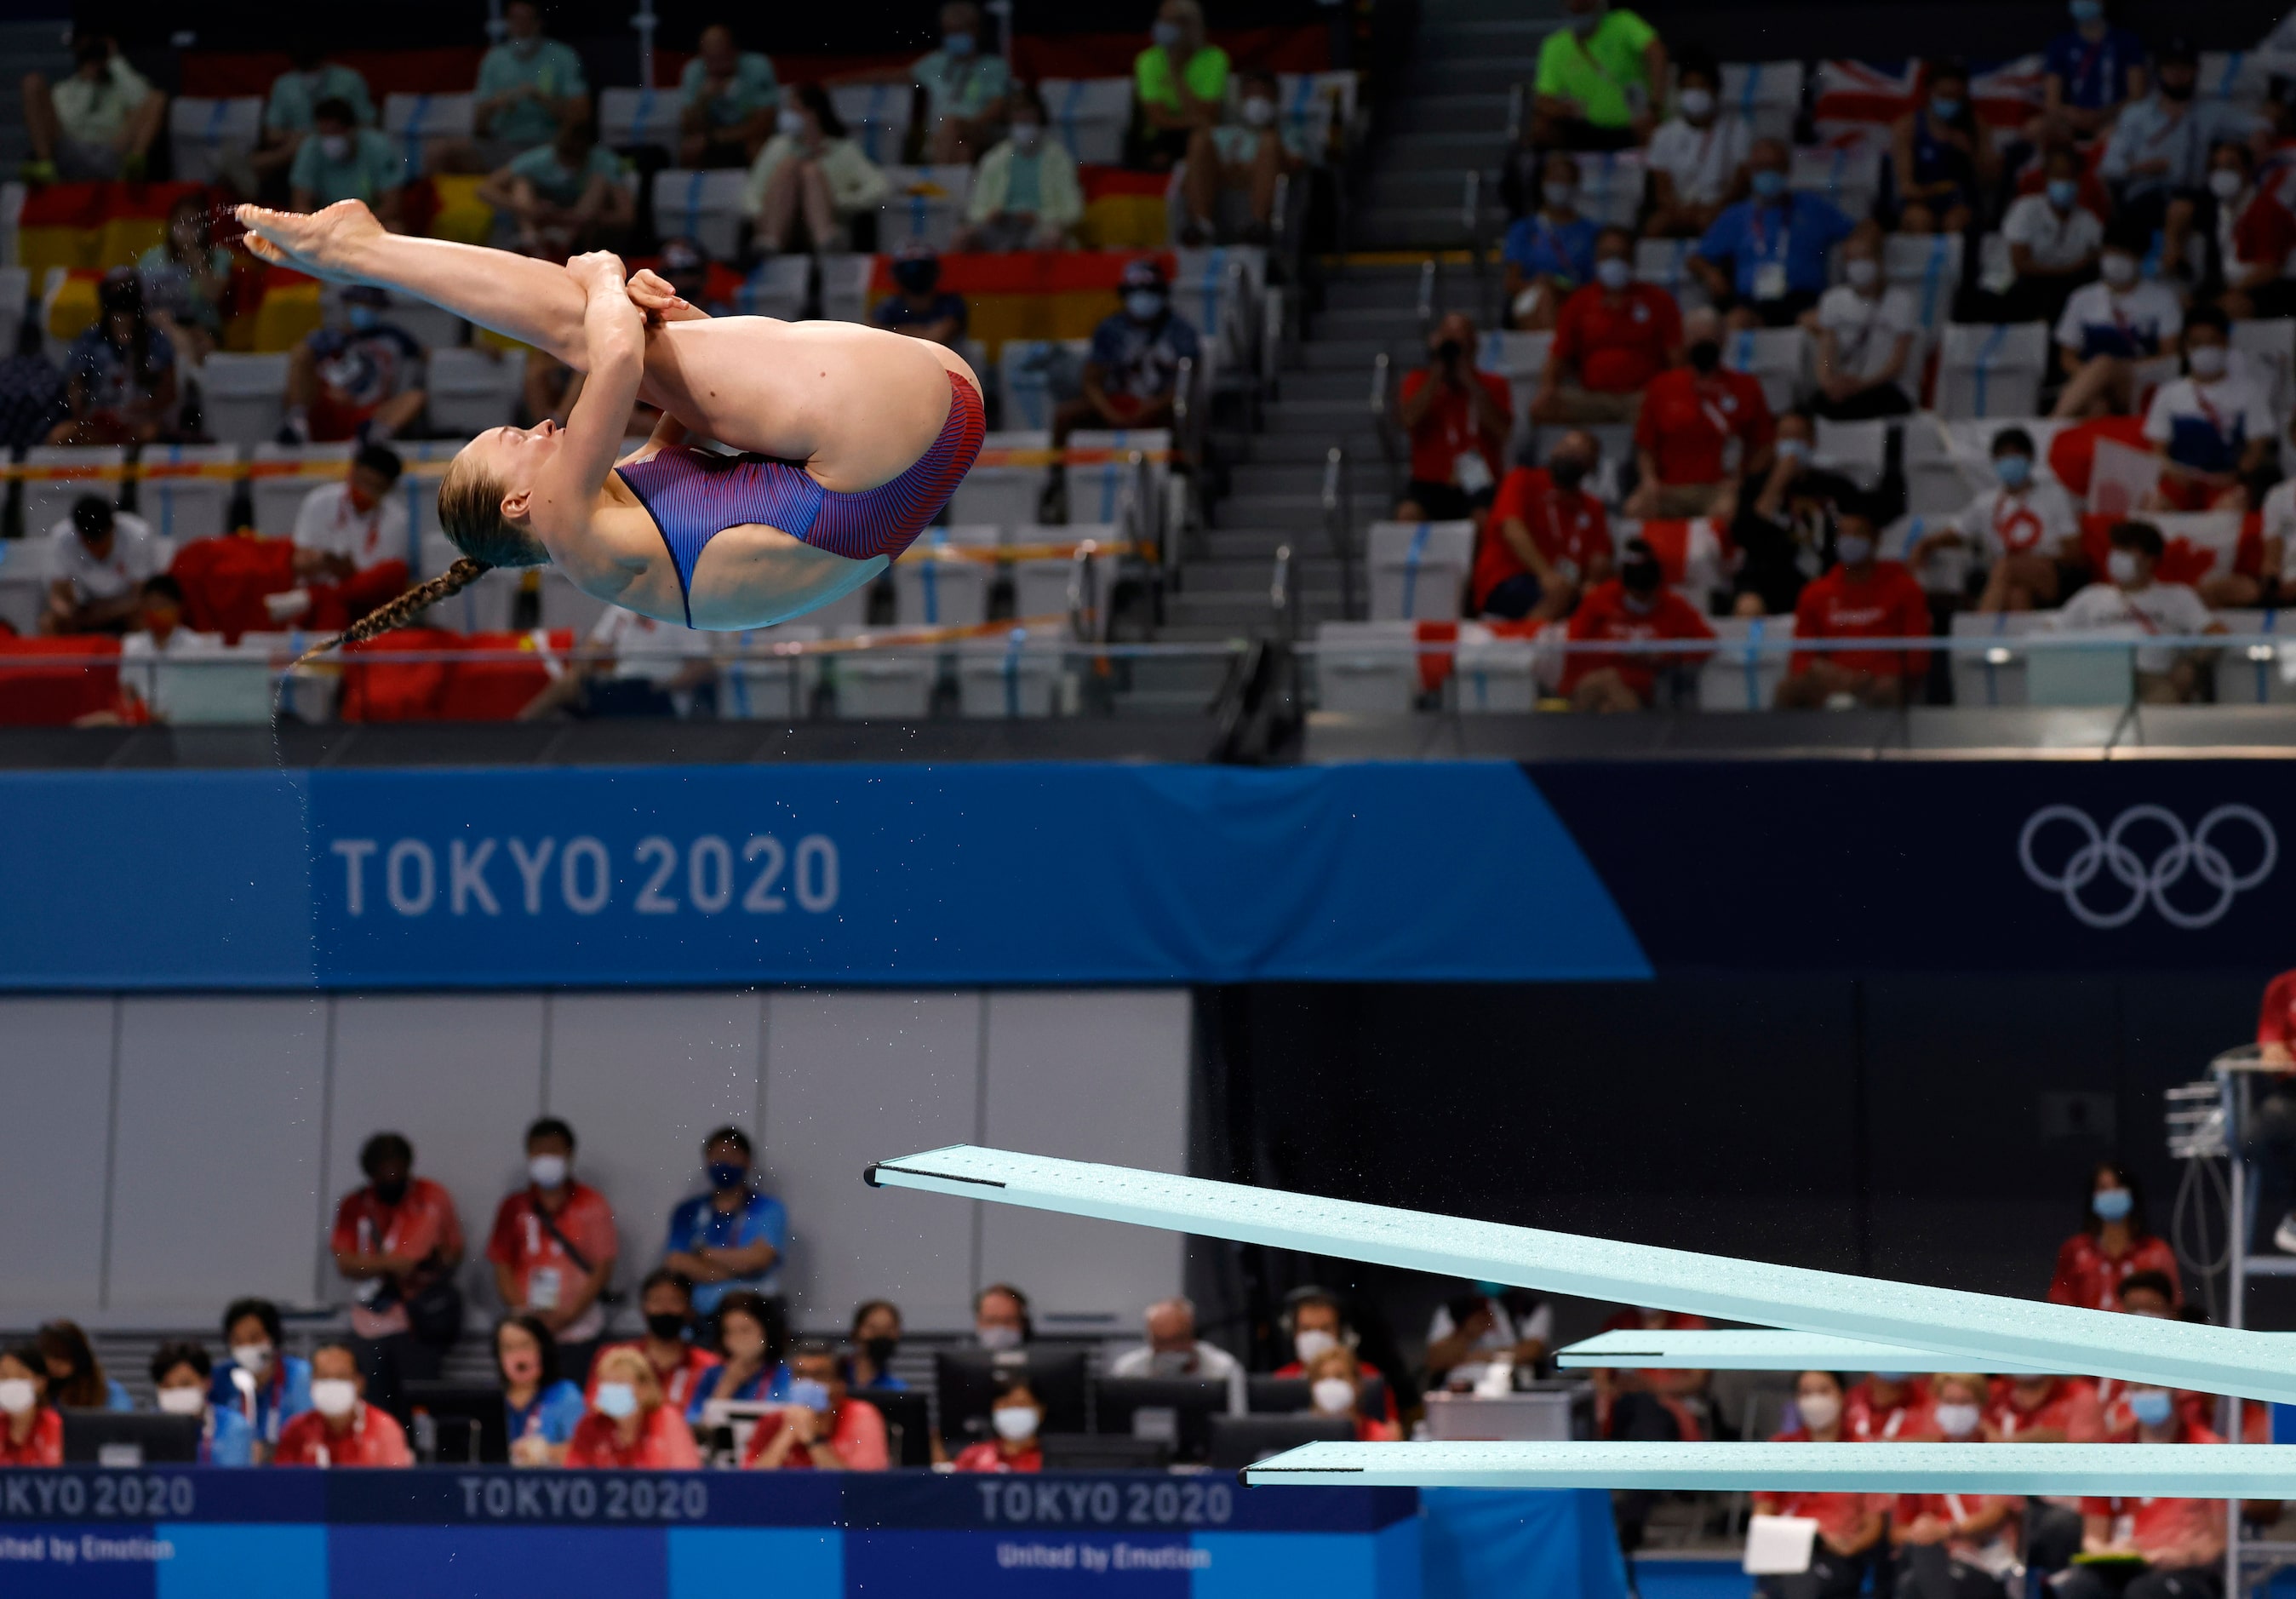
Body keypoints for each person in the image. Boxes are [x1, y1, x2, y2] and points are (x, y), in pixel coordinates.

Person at [236, 202, 984, 645]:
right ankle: (362, 251)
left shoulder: (613, 526)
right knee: (581, 327)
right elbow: (617, 364)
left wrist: (674, 319)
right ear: (518, 503)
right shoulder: (567, 523)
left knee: (620, 332)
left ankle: (367, 251)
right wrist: (601, 278)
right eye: (517, 444)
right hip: (882, 442)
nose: (538, 428)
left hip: (918, 436)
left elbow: (688, 417)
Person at [2099, 41, 2261, 286]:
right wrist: (2139, 168)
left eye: (2184, 69)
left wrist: (2251, 143)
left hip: (2197, 192)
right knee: (2176, 205)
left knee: (2211, 209)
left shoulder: (2211, 111)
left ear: (2195, 71)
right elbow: (2110, 165)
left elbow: (2260, 126)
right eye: (2171, 68)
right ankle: (2170, 257)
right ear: (2160, 72)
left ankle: (2211, 282)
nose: (2177, 75)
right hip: (2146, 191)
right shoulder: (2136, 114)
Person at [329, 1129, 465, 1420]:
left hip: (418, 1322)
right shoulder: (355, 1206)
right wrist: (394, 1264)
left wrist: (430, 1260)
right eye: (383, 1166)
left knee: (419, 1410)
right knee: (373, 1408)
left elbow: (455, 1252)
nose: (391, 1172)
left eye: (396, 1165)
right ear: (370, 1170)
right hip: (371, 1323)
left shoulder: (432, 1197)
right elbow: (345, 1263)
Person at [486, 1115, 619, 1385]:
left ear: (569, 1154)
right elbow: (501, 1264)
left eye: (554, 1150)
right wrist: (524, 1314)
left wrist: (569, 1316)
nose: (546, 1157)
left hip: (578, 1329)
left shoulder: (592, 1203)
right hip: (526, 1330)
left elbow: (603, 1267)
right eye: (539, 1150)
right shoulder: (514, 1206)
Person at [2056, 1390, 2225, 1599]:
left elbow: (2222, 1542)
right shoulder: (2110, 1452)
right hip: (2124, 1566)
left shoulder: (2211, 1451)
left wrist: (2183, 1556)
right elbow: (2093, 1538)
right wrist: (2111, 1552)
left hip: (2186, 1570)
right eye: (2139, 1386)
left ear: (2175, 1390)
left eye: (2155, 1385)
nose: (2147, 1392)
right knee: (2081, 1587)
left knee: (2145, 1592)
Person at [1913, 426, 2083, 612]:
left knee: (2006, 566)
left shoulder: (2053, 495)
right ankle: (2020, 640)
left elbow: (2074, 552)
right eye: (2003, 456)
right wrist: (1926, 544)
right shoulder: (1986, 503)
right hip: (2013, 580)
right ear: (1994, 461)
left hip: (2053, 574)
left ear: (2030, 457)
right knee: (2017, 594)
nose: (2009, 461)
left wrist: (2032, 559)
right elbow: (1958, 532)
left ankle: (1979, 633)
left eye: (2015, 454)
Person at [2053, 520, 2226, 702]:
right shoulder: (2090, 596)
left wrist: (2191, 664)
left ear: (2150, 560)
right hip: (2096, 675)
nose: (2117, 556)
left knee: (2164, 699)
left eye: (2126, 551)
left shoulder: (2178, 596)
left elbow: (2217, 633)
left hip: (2151, 676)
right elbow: (2050, 631)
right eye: (2116, 549)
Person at [1692, 140, 1858, 330]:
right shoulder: (1735, 215)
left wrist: (1864, 243)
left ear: (1787, 169)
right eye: (1761, 167)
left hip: (1802, 300)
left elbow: (1857, 229)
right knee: (1735, 322)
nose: (1768, 173)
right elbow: (1697, 258)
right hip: (1753, 303)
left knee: (1825, 323)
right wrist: (1710, 273)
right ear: (1750, 171)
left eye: (1774, 167)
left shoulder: (1812, 206)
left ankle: (1826, 361)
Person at [1776, 508, 1932, 708]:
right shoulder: (1815, 593)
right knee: (1789, 689)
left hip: (1879, 682)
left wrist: (1873, 676)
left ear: (1876, 540)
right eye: (1843, 534)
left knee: (1887, 689)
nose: (1849, 540)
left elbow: (1918, 658)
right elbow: (1800, 658)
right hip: (1829, 682)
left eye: (1858, 533)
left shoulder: (1906, 588)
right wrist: (1826, 673)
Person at [1752, 1371, 1887, 1599]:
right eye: (1807, 1392)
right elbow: (1762, 1513)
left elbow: (1873, 1525)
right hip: (1785, 1552)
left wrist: (1845, 1546)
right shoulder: (1781, 1448)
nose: (1815, 1400)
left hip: (1838, 1558)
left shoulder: (1864, 1451)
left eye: (1824, 1391)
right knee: (1795, 1579)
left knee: (1805, 1581)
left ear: (1843, 1396)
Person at [1628, 308, 1773, 520]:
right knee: (1635, 508)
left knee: (1726, 512)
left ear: (1722, 340)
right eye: (1697, 339)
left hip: (1719, 488)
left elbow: (1765, 446)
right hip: (1670, 488)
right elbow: (1645, 446)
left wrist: (1743, 479)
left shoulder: (1746, 386)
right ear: (1686, 341)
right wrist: (1649, 480)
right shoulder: (1662, 385)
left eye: (1709, 339)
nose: (1703, 346)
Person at [1887, 1375, 2019, 1599]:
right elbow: (1897, 1531)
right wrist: (1922, 1531)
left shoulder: (1999, 1453)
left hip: (1984, 1565)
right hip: (1933, 1558)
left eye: (1964, 1402)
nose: (1956, 1409)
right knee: (1921, 1558)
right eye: (1949, 1402)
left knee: (1911, 1584)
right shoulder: (1926, 1458)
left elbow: (1996, 1514)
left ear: (1980, 1405)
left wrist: (1945, 1530)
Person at [1537, 226, 1680, 427]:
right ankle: (1578, 451)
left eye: (1621, 255)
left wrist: (1677, 391)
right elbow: (1558, 355)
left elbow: (1676, 358)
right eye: (1607, 255)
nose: (1614, 261)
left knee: (1669, 407)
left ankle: (1643, 454)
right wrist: (1548, 388)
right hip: (1594, 398)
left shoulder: (1658, 301)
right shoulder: (1579, 302)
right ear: (1596, 259)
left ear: (1632, 260)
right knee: (1543, 408)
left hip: (1642, 396)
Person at [2139, 304, 2275, 513]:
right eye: (2197, 343)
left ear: (2225, 342)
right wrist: (2172, 471)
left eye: (2212, 342)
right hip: (2181, 483)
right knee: (2152, 504)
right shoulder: (2168, 393)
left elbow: (2256, 449)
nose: (2205, 349)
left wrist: (2236, 475)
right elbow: (2158, 451)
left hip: (2226, 482)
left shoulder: (2249, 391)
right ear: (2185, 347)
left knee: (2233, 505)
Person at [1055, 259, 1202, 445]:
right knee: (1065, 416)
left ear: (1162, 292)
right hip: (1117, 403)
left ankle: (1180, 470)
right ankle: (1057, 473)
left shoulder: (1181, 331)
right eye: (1136, 292)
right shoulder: (1110, 329)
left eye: (1150, 291)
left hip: (1161, 406)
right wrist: (1110, 413)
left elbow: (1188, 382)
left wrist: (1149, 409)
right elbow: (1091, 381)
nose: (1143, 297)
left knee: (1183, 415)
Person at [1732, 410, 1861, 616]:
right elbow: (1747, 534)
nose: (1791, 445)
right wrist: (1777, 481)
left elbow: (1858, 531)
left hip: (1824, 575)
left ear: (1812, 442)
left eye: (1798, 437)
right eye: (1785, 437)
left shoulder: (1837, 486)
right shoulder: (1755, 485)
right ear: (1775, 442)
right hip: (1767, 578)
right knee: (1748, 607)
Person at [1560, 541, 1715, 711]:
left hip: (1644, 685)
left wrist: (1664, 653)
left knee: (1609, 707)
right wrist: (1615, 650)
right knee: (1608, 688)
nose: (1642, 598)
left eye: (1646, 593)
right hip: (1595, 678)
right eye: (1636, 593)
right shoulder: (1599, 600)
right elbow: (1574, 641)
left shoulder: (1673, 605)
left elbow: (1707, 642)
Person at [1474, 431, 1612, 621]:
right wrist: (1546, 575)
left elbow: (1600, 557)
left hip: (1568, 585)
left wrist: (1591, 583)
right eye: (1566, 448)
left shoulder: (1592, 507)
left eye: (1579, 454)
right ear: (1554, 451)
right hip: (1509, 578)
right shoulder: (1522, 479)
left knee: (1597, 601)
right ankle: (1526, 647)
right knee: (1559, 592)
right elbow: (1512, 529)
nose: (1569, 456)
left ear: (1591, 465)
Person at [741, 83, 893, 255]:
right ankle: (770, 242)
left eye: (794, 110)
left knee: (811, 171)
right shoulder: (777, 146)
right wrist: (762, 214)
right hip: (780, 225)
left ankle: (826, 242)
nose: (788, 116)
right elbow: (751, 193)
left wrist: (837, 201)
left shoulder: (843, 149)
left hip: (824, 223)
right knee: (790, 166)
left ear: (813, 112)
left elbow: (880, 187)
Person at [2051, 229, 2183, 419]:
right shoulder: (2082, 299)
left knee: (2105, 364)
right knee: (2097, 406)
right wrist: (2094, 376)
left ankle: (2052, 421)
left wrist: (2116, 368)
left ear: (2139, 258)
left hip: (2141, 381)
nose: (2115, 259)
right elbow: (2068, 355)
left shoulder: (2162, 300)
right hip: (2093, 382)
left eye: (2122, 254)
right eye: (2110, 253)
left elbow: (2168, 354)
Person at [1394, 312, 1512, 521]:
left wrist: (1471, 383)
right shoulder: (1418, 380)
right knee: (1407, 514)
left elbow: (1502, 431)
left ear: (1473, 346)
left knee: (1484, 518)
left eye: (1462, 342)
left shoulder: (1493, 384)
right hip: (1430, 483)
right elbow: (1408, 419)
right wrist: (1436, 375)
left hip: (1479, 482)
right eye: (1449, 341)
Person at [516, 601, 721, 720]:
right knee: (567, 684)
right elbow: (593, 646)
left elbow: (703, 667)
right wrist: (579, 672)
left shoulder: (678, 613)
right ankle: (515, 730)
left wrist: (665, 686)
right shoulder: (622, 609)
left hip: (658, 693)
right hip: (621, 687)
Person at [661, 1124, 787, 1316]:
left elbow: (761, 1259)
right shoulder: (687, 1211)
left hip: (753, 1310)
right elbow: (676, 1261)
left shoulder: (768, 1208)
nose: (724, 1162)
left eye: (731, 1155)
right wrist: (740, 1268)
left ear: (747, 1161)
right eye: (718, 1156)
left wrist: (706, 1255)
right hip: (698, 1313)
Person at [282, 286, 427, 446]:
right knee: (300, 353)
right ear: (348, 305)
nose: (365, 309)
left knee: (415, 397)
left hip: (370, 415)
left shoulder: (394, 337)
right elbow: (302, 359)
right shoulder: (327, 337)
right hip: (328, 407)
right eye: (360, 304)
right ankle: (297, 423)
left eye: (371, 305)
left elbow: (426, 355)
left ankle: (373, 439)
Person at [48, 269, 176, 448]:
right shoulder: (90, 340)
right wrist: (82, 408)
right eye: (116, 306)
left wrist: (147, 406)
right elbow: (75, 385)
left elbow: (169, 391)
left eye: (128, 305)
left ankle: (133, 473)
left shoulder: (156, 341)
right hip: (99, 424)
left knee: (150, 433)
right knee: (61, 436)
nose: (123, 316)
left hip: (139, 422)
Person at [20, 31, 163, 184]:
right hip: (72, 150)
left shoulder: (123, 86)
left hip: (114, 151)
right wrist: (88, 83)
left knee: (156, 98)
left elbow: (143, 99)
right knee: (32, 82)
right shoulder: (63, 90)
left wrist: (115, 61)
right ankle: (45, 166)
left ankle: (134, 165)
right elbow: (72, 124)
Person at [478, 117, 633, 258]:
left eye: (575, 158)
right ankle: (530, 241)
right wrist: (529, 209)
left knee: (599, 182)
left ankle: (562, 242)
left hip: (580, 224)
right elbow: (484, 189)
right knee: (521, 182)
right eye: (565, 156)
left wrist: (584, 218)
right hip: (538, 215)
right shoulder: (539, 159)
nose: (569, 164)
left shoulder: (604, 162)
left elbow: (625, 215)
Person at [1183, 71, 1306, 246]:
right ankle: (1202, 226)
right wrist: (1231, 170)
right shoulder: (1225, 133)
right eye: (1251, 93)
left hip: (1269, 186)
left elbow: (1297, 164)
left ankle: (1258, 225)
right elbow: (1197, 168)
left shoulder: (1289, 133)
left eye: (1263, 93)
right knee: (1199, 140)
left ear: (1275, 97)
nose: (1257, 99)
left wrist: (1256, 167)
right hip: (1224, 186)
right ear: (1242, 98)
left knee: (1269, 143)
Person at [959, 86, 1084, 251]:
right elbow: (974, 209)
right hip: (1000, 227)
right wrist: (989, 216)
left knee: (1052, 239)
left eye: (1028, 120)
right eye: (1019, 121)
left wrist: (1038, 217)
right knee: (962, 237)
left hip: (1040, 227)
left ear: (1040, 120)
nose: (1023, 126)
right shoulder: (994, 158)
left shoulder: (1059, 159)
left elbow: (1074, 211)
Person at [1531, 0, 1665, 152]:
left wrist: (1655, 105)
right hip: (1586, 128)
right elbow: (1543, 98)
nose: (1578, 12)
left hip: (1631, 125)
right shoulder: (1554, 45)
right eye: (1574, 10)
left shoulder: (1623, 22)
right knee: (1538, 126)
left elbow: (1656, 52)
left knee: (1652, 131)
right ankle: (1558, 173)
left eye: (1584, 8)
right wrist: (1562, 109)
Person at [1645, 49, 1750, 238]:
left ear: (1715, 91)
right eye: (1688, 88)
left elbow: (1740, 182)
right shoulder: (1664, 134)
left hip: (1718, 206)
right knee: (1654, 226)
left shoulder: (1737, 128)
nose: (1694, 94)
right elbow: (1662, 189)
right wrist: (1679, 210)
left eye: (1701, 87)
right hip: (1678, 208)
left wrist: (1716, 207)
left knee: (1709, 223)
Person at [1812, 232, 1917, 421]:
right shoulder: (1832, 300)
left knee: (1858, 408)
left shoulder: (1901, 301)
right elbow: (1826, 352)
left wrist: (1860, 386)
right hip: (1844, 386)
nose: (1858, 264)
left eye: (1864, 257)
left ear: (1879, 260)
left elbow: (1897, 363)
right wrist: (1828, 383)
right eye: (1852, 258)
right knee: (1815, 405)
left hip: (1885, 386)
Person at [2048, 1164, 2183, 1310]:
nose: (2111, 1193)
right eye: (2104, 1188)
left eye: (2118, 1186)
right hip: (2085, 1332)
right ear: (2093, 1196)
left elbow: (2174, 1309)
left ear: (2131, 1194)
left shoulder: (2157, 1252)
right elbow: (2059, 1306)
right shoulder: (2075, 1250)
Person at [1999, 145, 2106, 328]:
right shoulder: (2026, 209)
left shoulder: (2088, 220)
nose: (2064, 182)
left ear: (2078, 179)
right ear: (2046, 177)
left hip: (2069, 290)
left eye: (2069, 175)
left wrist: (2079, 269)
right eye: (2058, 175)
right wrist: (2069, 270)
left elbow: (2097, 258)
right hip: (2028, 285)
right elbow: (2021, 263)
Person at [743, 1339, 889, 1470]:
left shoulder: (861, 1416)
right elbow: (749, 1486)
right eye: (800, 1374)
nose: (808, 1383)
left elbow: (863, 1489)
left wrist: (813, 1440)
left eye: (819, 1375)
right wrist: (787, 1434)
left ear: (839, 1385)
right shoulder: (773, 1421)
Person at [594, 1269, 722, 1414]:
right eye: (656, 1301)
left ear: (689, 1309)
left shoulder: (709, 1365)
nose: (665, 1309)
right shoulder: (614, 1359)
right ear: (643, 1308)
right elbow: (596, 1411)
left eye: (674, 1301)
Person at [1890, 62, 1994, 236]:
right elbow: (1906, 188)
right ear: (1930, 92)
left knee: (1956, 221)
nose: (1950, 102)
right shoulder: (1907, 127)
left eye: (1956, 97)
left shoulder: (1977, 125)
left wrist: (1971, 153)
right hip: (1920, 202)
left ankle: (1956, 262)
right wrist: (1939, 189)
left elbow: (1990, 180)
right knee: (1919, 220)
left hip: (1960, 203)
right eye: (1945, 95)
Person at [271, 1341, 414, 1467]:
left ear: (359, 1383)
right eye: (324, 1377)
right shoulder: (295, 1430)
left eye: (341, 1376)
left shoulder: (384, 1429)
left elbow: (397, 1489)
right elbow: (284, 1488)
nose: (332, 1384)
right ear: (312, 1383)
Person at [475, 0, 591, 153]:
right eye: (515, 20)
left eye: (526, 20)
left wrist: (542, 99)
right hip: (502, 144)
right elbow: (478, 124)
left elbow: (581, 116)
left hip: (550, 147)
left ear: (538, 23)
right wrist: (494, 105)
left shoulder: (563, 56)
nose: (521, 27)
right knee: (441, 150)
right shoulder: (494, 58)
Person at [1503, 153, 1601, 331]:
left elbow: (1597, 283)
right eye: (1554, 178)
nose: (1559, 185)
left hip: (1577, 298)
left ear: (1576, 184)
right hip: (1534, 297)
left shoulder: (1591, 231)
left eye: (1565, 179)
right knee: (1544, 299)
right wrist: (1542, 284)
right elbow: (1511, 283)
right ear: (1543, 182)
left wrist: (1561, 288)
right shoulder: (1524, 229)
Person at [209, 1298, 312, 1461]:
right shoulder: (219, 1379)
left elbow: (310, 1434)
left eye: (255, 1338)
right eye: (238, 1340)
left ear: (273, 1338)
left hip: (288, 1470)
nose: (246, 1346)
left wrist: (269, 1454)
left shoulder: (300, 1376)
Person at [564, 1345, 701, 1468]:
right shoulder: (589, 1425)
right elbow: (575, 1478)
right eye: (605, 1382)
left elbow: (687, 1476)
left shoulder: (667, 1419)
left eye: (619, 1382)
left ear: (644, 1388)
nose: (610, 1389)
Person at [912, 2, 1014, 166]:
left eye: (959, 30)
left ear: (975, 31)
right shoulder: (935, 63)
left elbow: (998, 104)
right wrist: (854, 78)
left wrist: (972, 125)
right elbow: (895, 75)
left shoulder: (994, 66)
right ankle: (955, 189)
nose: (954, 36)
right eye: (949, 31)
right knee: (962, 151)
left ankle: (938, 182)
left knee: (953, 124)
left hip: (981, 129)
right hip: (943, 136)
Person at [138, 195, 236, 363]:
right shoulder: (151, 257)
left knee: (202, 345)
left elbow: (213, 294)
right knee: (177, 339)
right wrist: (154, 318)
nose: (186, 229)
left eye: (193, 223)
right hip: (160, 325)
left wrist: (199, 262)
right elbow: (137, 302)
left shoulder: (219, 256)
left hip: (203, 328)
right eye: (181, 222)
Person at [43, 496, 159, 637]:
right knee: (49, 623)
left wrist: (107, 613)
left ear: (113, 529)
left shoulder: (138, 535)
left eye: (101, 542)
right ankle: (70, 658)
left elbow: (142, 594)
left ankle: (139, 658)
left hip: (125, 606)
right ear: (79, 536)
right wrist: (67, 611)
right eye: (90, 543)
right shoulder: (62, 537)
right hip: (84, 608)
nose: (97, 550)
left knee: (145, 617)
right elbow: (57, 594)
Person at [295, 444, 410, 586]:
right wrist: (325, 562)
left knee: (395, 572)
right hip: (321, 589)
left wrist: (352, 572)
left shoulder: (397, 520)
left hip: (364, 594)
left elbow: (385, 578)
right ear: (352, 472)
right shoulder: (319, 502)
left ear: (387, 489)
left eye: (373, 487)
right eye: (361, 482)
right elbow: (300, 560)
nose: (364, 491)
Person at [259, 43, 375, 184]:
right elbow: (272, 133)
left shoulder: (349, 79)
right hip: (295, 152)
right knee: (301, 148)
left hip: (342, 143)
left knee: (314, 146)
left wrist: (336, 133)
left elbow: (368, 123)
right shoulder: (284, 84)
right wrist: (298, 137)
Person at [1131, 0, 1226, 171]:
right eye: (1161, 19)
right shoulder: (1147, 60)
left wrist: (1176, 75)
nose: (1163, 26)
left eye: (1172, 20)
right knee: (1161, 154)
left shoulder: (1214, 58)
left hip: (1199, 137)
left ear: (1191, 25)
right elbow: (1157, 118)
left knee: (1199, 142)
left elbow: (1208, 115)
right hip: (1160, 137)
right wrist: (1197, 120)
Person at [2209, 140, 2296, 321]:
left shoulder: (2265, 209)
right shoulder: (2220, 211)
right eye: (2216, 167)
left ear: (2247, 170)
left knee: (2232, 307)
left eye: (2230, 166)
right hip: (2238, 284)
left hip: (2279, 286)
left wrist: (2231, 292)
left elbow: (2269, 268)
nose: (2222, 173)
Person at [2038, 0, 2147, 144]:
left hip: (2113, 119)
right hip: (2071, 122)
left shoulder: (2127, 42)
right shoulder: (2060, 45)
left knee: (2121, 130)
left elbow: (2137, 96)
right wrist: (2071, 114)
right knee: (2037, 128)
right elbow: (2051, 102)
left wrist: (2101, 115)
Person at [1107, 1297, 1245, 1410]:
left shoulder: (1223, 1369)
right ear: (1150, 1339)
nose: (1170, 1349)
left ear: (1192, 1336)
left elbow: (1237, 1424)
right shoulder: (1128, 1371)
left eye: (1177, 1339)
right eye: (1162, 1341)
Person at [679, 23, 781, 168]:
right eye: (711, 60)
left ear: (734, 51)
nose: (717, 66)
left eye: (722, 57)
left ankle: (759, 190)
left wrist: (719, 137)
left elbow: (764, 122)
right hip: (711, 138)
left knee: (758, 148)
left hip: (746, 136)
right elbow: (688, 127)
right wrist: (703, 101)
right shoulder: (693, 71)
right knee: (690, 148)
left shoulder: (758, 66)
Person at [290, 98, 404, 225]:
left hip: (371, 221)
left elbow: (392, 205)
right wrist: (327, 226)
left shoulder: (378, 147)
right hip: (326, 225)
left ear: (352, 130)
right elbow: (300, 205)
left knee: (395, 227)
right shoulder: (311, 148)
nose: (329, 140)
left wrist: (356, 225)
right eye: (324, 133)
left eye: (335, 131)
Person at [1424, 1281, 1556, 1386]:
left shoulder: (1531, 1308)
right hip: (1463, 1391)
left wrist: (1473, 1357)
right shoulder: (1453, 1310)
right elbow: (1435, 1360)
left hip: (1513, 1389)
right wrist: (1466, 1335)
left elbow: (1530, 1352)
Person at [497, 1314, 587, 1466]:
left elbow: (584, 1452)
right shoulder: (491, 1399)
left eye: (525, 1345)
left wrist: (548, 1452)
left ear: (542, 1350)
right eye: (508, 1347)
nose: (518, 1356)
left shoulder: (565, 1394)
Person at [687, 1290, 787, 1422]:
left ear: (766, 1331)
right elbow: (694, 1425)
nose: (738, 1339)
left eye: (745, 1330)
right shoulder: (711, 1376)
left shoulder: (785, 1374)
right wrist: (728, 1384)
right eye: (729, 1332)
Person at [152, 1343, 257, 1467]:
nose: (176, 1392)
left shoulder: (234, 1426)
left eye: (185, 1384)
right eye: (167, 1386)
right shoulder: (149, 1427)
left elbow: (233, 1482)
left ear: (207, 1383)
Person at [874, 247, 970, 347]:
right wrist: (922, 331)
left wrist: (899, 332)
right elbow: (875, 338)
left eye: (922, 268)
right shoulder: (888, 307)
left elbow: (935, 339)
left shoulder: (952, 304)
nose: (915, 274)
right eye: (908, 269)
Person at [1304, 1347, 1399, 1441]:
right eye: (1322, 1378)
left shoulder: (1382, 1438)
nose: (1330, 1384)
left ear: (1357, 1384)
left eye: (1339, 1377)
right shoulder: (1302, 1436)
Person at [950, 1376, 1044, 1472]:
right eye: (1007, 1405)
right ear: (994, 1409)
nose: (1013, 1411)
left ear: (1040, 1410)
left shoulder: (1051, 1459)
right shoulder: (973, 1456)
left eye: (1021, 1404)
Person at [37, 1320, 131, 1410]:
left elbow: (120, 1422)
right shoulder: (38, 1391)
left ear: (80, 1357)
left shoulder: (110, 1391)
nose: (52, 1364)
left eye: (60, 1356)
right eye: (47, 1356)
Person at [0, 1345, 62, 1467]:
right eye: (4, 1376)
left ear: (41, 1382)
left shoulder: (55, 1424)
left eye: (20, 1376)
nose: (12, 1383)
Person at [1845, 1371, 1933, 1441]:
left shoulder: (1923, 1401)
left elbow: (1935, 1438)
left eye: (1892, 1387)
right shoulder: (1853, 1398)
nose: (1882, 1391)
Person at [843, 1300, 908, 1393]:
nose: (880, 1336)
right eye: (873, 1329)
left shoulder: (897, 1389)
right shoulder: (834, 1377)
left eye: (888, 1330)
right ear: (856, 1333)